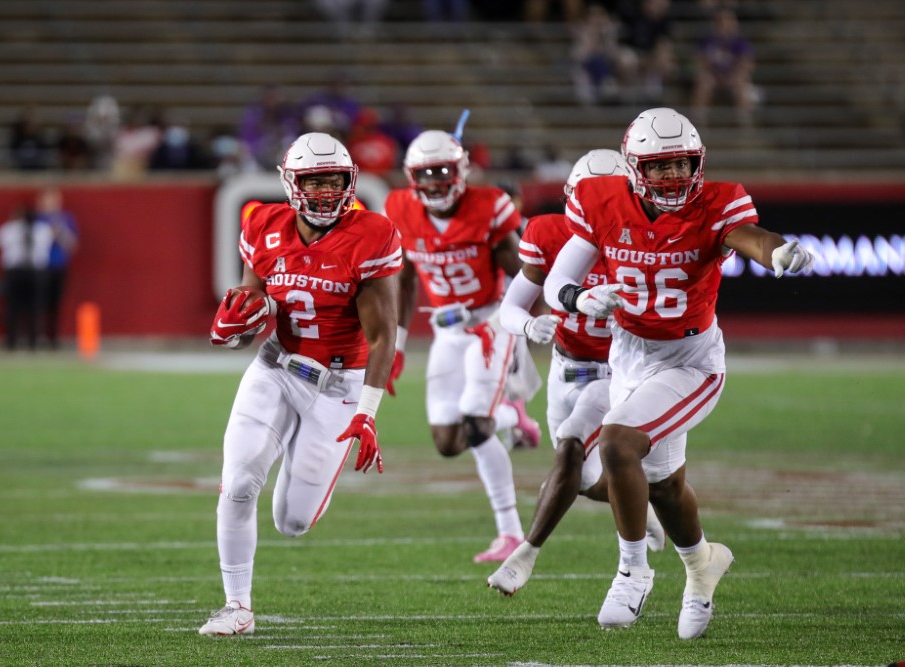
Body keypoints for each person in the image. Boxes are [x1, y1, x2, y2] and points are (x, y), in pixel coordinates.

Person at [542, 107, 814, 639]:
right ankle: (701, 566)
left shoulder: (716, 203)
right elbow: (557, 283)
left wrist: (778, 251)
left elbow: (750, 236)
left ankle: (632, 570)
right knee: (665, 487)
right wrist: (581, 296)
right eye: (660, 167)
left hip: (690, 363)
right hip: (628, 355)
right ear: (632, 167)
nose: (673, 177)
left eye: (682, 165)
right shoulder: (603, 202)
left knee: (616, 443)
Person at [198, 132, 402, 636]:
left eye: (334, 180)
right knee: (240, 479)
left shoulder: (371, 234)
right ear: (292, 184)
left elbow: (383, 338)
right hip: (277, 366)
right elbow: (250, 305)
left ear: (349, 181)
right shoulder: (263, 225)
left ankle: (306, 459)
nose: (327, 192)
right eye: (315, 181)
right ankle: (237, 606)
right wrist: (233, 331)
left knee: (293, 521)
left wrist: (367, 412)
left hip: (341, 383)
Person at [488, 149, 665, 597]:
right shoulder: (547, 233)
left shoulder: (644, 241)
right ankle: (649, 504)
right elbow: (510, 306)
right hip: (565, 368)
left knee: (568, 449)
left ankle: (525, 554)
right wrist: (529, 324)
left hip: (616, 373)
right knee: (584, 481)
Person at [383, 129, 541, 564]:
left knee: (475, 423)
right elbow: (406, 277)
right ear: (411, 178)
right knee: (448, 441)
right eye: (426, 173)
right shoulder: (398, 208)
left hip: (490, 322)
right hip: (447, 331)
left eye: (443, 171)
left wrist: (526, 321)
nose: (435, 181)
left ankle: (509, 534)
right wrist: (396, 345)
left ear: (462, 170)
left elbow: (526, 272)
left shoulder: (488, 205)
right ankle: (513, 415)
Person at [0, 204, 54, 351]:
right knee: (12, 307)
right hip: (14, 270)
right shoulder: (9, 229)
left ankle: (33, 341)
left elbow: (46, 246)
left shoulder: (43, 230)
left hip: (36, 271)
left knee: (35, 307)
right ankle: (11, 341)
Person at [690, 7, 755, 126]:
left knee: (741, 82)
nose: (724, 24)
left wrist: (732, 76)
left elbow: (747, 64)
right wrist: (712, 73)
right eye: (721, 21)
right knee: (704, 81)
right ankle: (698, 120)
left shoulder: (740, 42)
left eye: (727, 21)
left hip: (733, 77)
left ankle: (745, 122)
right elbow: (698, 61)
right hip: (713, 76)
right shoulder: (707, 40)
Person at [36, 188, 79, 349]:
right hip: (38, 267)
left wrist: (59, 232)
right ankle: (36, 337)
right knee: (38, 303)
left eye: (54, 200)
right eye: (47, 200)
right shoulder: (36, 219)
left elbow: (72, 245)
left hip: (58, 266)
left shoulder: (66, 219)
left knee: (55, 303)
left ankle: (53, 338)